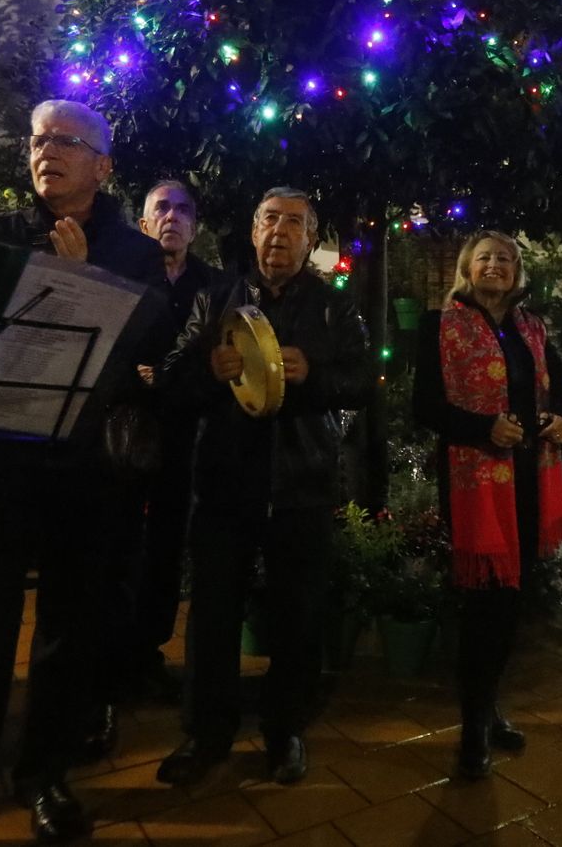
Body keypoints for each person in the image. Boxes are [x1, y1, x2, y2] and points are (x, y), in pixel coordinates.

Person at [0, 100, 165, 845]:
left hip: (85, 466)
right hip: (1, 457)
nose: (45, 150)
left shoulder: (134, 249)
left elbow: (143, 347)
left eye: (64, 140)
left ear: (103, 164)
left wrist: (81, 282)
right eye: (36, 139)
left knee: (69, 624)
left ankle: (44, 774)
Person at [155, 187, 371, 787]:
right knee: (213, 615)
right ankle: (206, 734)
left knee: (297, 616)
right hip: (225, 481)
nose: (279, 232)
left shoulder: (334, 307)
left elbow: (361, 382)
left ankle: (286, 732)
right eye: (269, 220)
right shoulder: (213, 299)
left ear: (311, 240)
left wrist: (315, 376)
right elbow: (169, 381)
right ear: (253, 232)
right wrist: (208, 368)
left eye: (294, 224)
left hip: (301, 483)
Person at [413, 230, 562, 779]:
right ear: (467, 268)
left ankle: (490, 705)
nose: (495, 265)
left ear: (517, 272)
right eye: (484, 257)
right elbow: (426, 406)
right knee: (483, 606)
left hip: (530, 479)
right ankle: (473, 727)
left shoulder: (532, 328)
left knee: (513, 604)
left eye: (505, 259)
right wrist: (485, 427)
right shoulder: (440, 326)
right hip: (477, 484)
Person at [102, 180, 226, 710]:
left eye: (183, 209)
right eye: (162, 208)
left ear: (195, 225)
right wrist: (140, 379)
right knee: (118, 548)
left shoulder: (215, 286)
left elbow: (216, 362)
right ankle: (110, 660)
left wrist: (173, 381)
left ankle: (147, 654)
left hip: (185, 438)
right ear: (145, 221)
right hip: (126, 434)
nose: (172, 217)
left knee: (166, 551)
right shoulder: (125, 274)